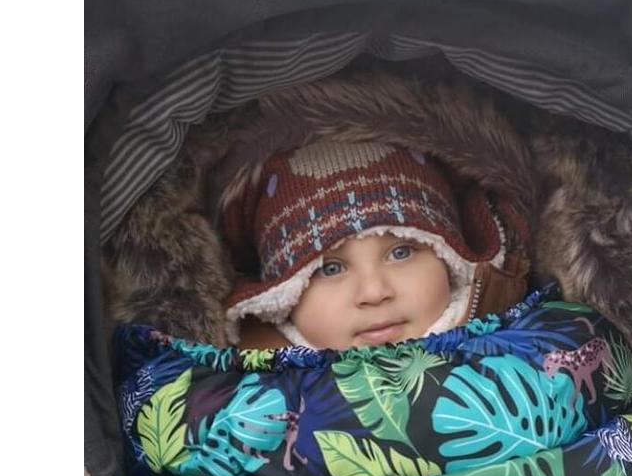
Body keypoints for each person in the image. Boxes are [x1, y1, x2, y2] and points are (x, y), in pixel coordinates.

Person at [218, 140, 526, 350]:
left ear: (451, 260)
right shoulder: (244, 399)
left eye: (401, 252)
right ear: (281, 299)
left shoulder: (528, 346)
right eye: (330, 268)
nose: (374, 293)